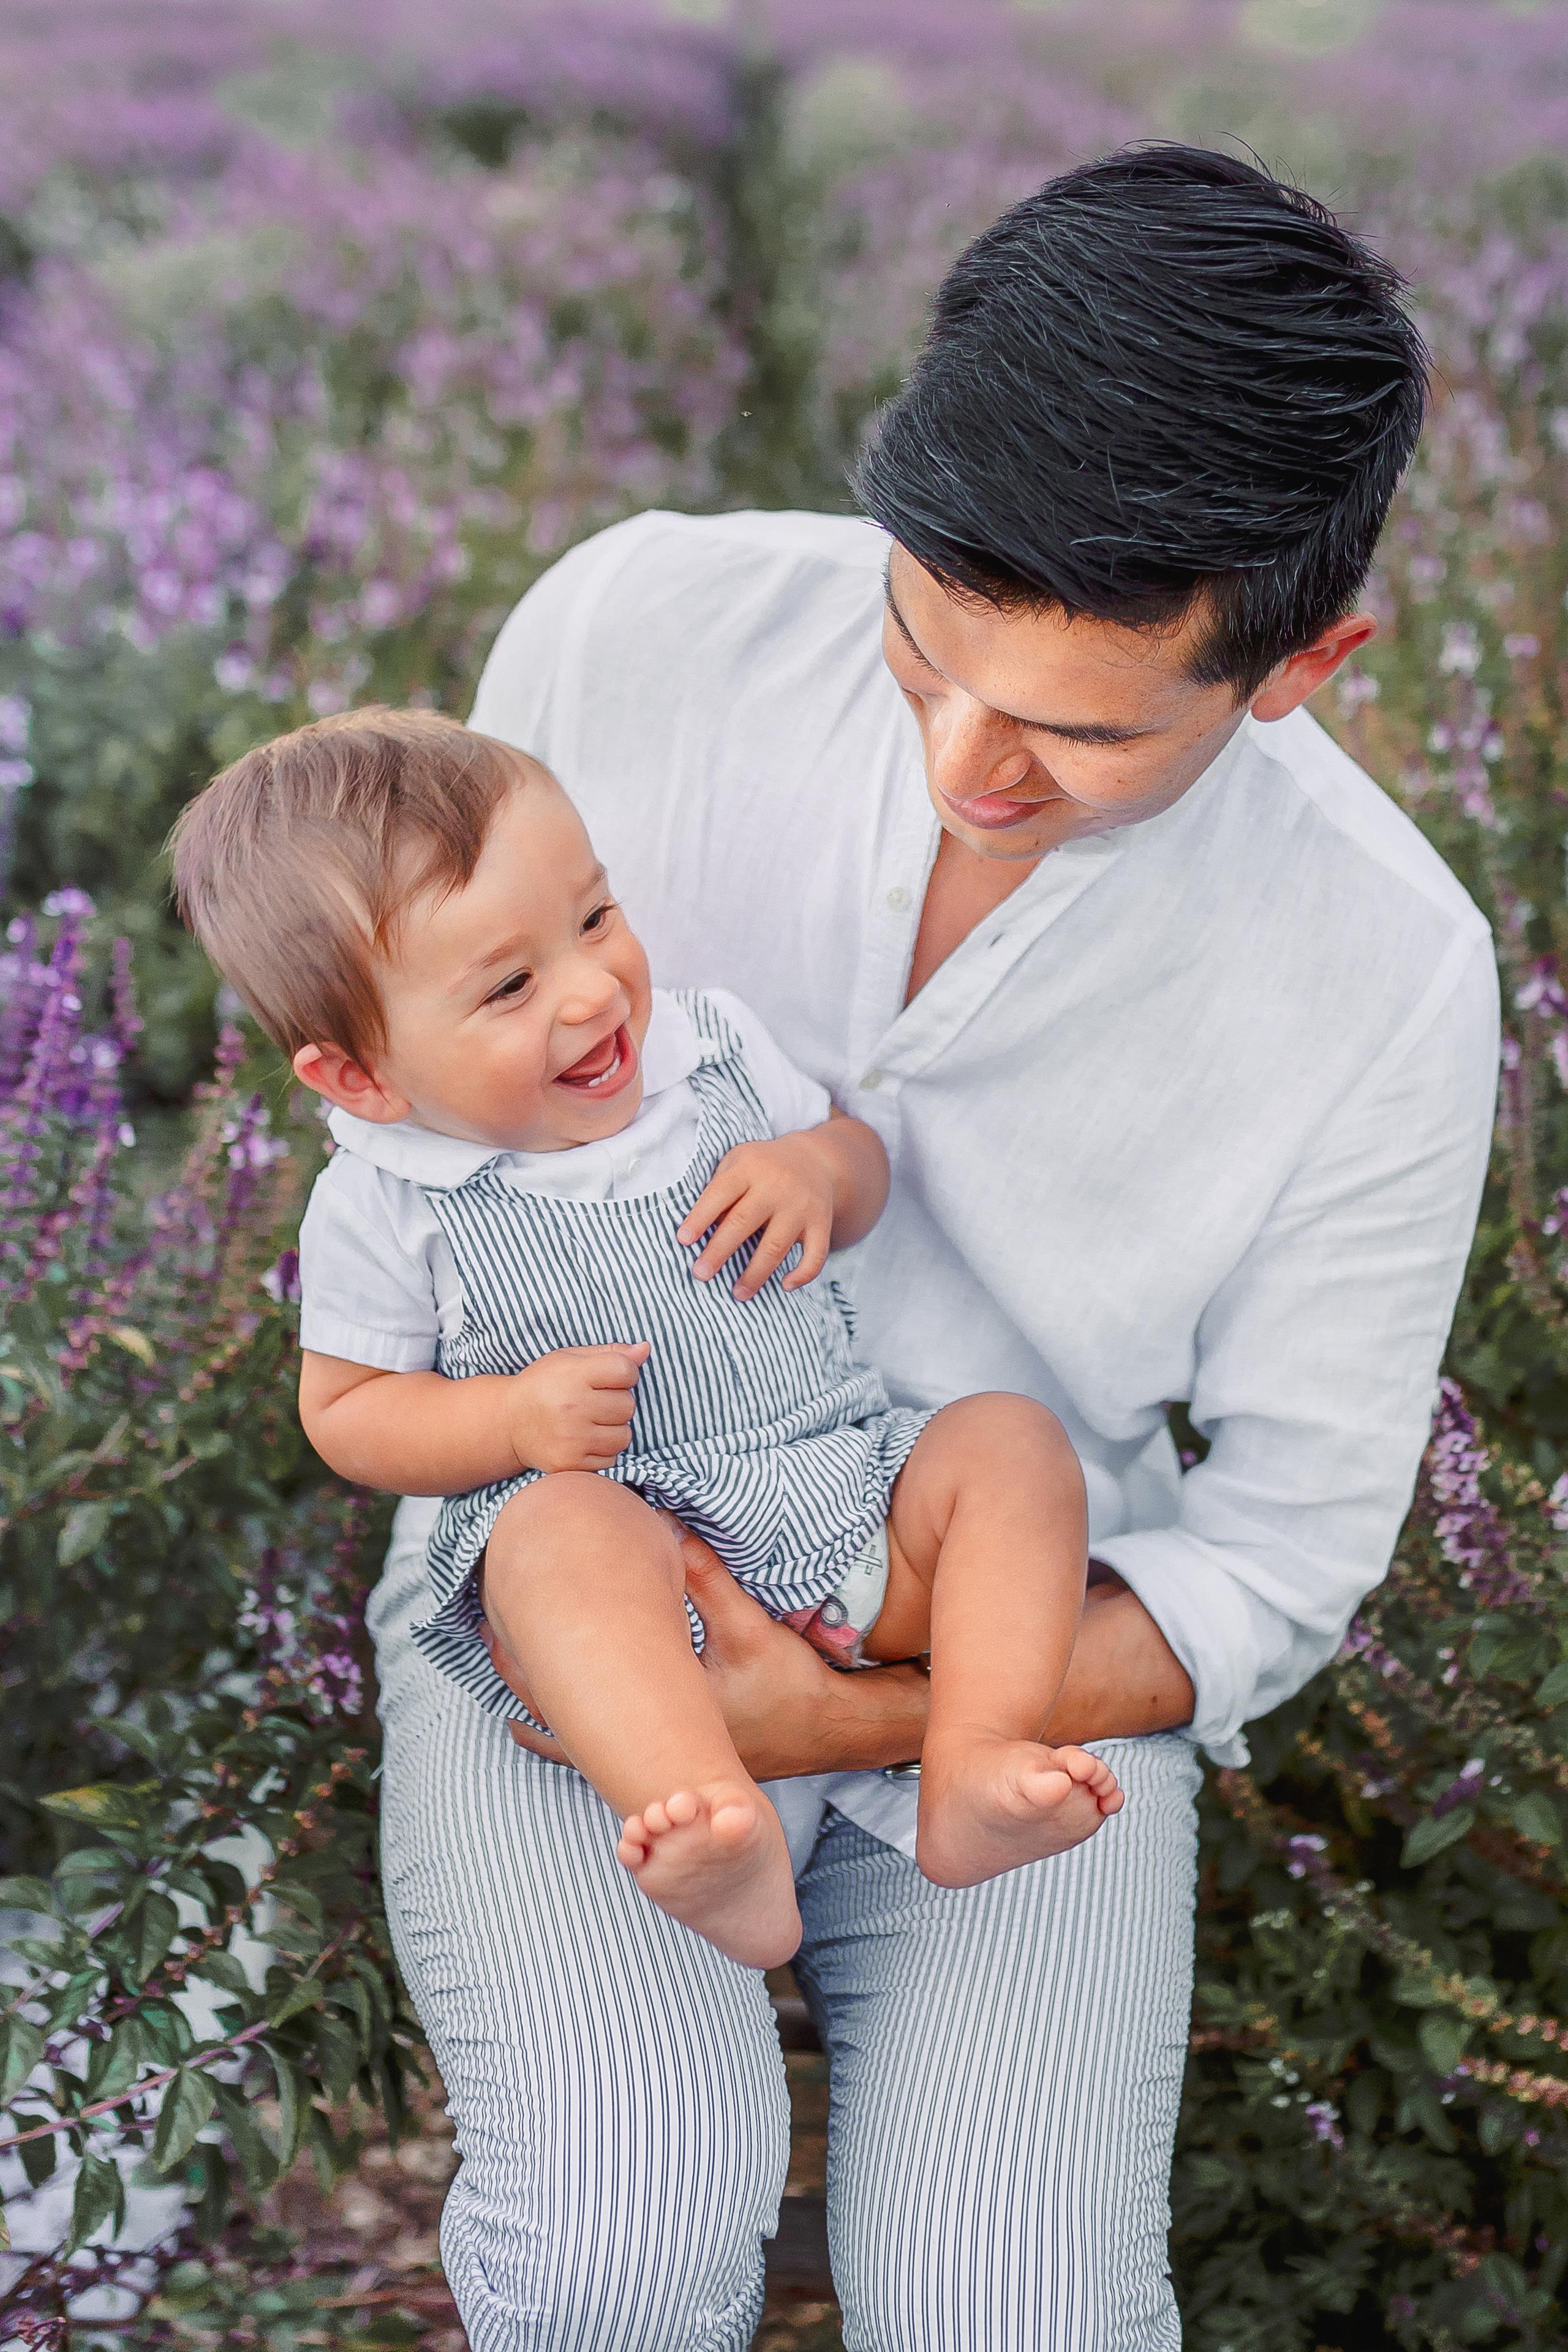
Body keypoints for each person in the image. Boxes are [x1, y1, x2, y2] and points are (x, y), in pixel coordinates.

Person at [361, 148, 1499, 2350]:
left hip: (1019, 1651)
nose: (970, 761)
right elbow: (442, 1116)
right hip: (576, 1585)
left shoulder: (1387, 971)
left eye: (1078, 733)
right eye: (921, 654)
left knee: (1024, 2314)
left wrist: (847, 1699)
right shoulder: (630, 626)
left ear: (1303, 661)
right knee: (612, 2255)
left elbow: (1275, 1554)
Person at [170, 709, 1121, 1970]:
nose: (588, 988)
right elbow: (345, 1410)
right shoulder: (387, 1200)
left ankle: (971, 1758)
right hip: (639, 1581)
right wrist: (502, 1423)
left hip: (844, 1495)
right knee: (550, 1536)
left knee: (1006, 1444)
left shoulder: (709, 1050)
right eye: (508, 986)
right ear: (363, 1079)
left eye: (595, 918)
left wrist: (815, 1172)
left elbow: (856, 1162)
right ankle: (708, 1820)